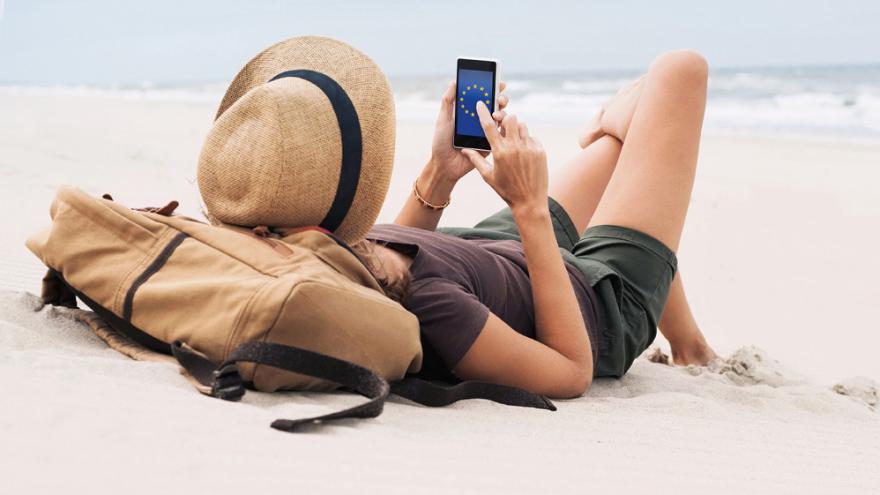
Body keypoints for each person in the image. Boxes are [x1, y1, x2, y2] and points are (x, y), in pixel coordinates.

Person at [357, 51, 718, 399]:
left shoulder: (322, 246)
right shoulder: (435, 304)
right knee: (680, 71)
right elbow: (571, 371)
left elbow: (389, 262)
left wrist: (440, 171)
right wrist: (529, 207)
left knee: (635, 128)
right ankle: (690, 347)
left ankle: (690, 345)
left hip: (486, 250)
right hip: (590, 301)